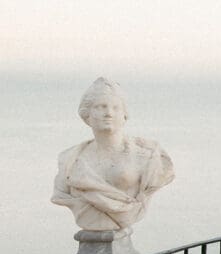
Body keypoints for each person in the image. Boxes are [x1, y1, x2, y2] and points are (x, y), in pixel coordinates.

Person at [52, 77, 175, 231]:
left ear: (124, 115)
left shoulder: (150, 156)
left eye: (115, 108)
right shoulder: (69, 160)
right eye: (100, 107)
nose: (109, 113)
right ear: (87, 115)